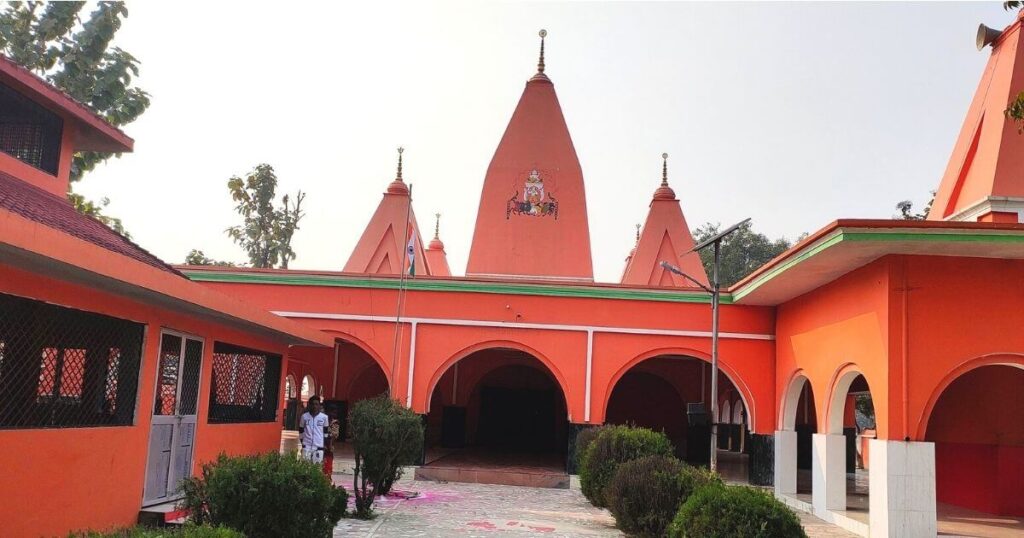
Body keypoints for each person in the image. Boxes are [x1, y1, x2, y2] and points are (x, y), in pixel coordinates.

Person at [298, 396, 329, 464]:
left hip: (318, 447)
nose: (314, 406)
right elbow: (301, 430)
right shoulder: (304, 416)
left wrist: (324, 444)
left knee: (317, 468)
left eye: (316, 404)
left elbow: (326, 433)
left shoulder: (324, 417)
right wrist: (303, 442)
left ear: (319, 405)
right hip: (306, 446)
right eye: (313, 404)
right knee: (304, 467)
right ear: (309, 405)